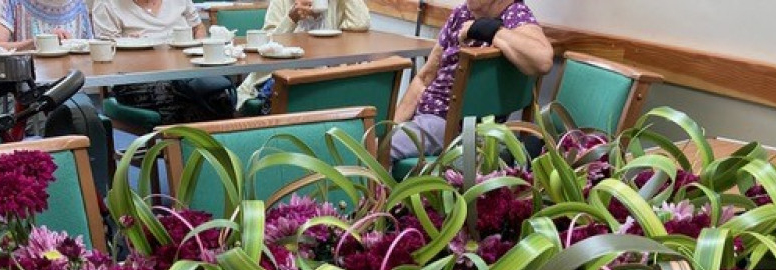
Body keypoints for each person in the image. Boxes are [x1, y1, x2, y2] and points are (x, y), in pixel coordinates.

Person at [390, 0, 553, 161]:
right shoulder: (461, 13)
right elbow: (424, 79)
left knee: (375, 152)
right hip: (427, 119)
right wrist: (392, 128)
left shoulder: (515, 15)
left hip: (450, 124)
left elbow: (543, 60)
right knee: (378, 143)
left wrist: (487, 30)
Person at [92, 0, 236, 125]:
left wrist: (197, 47)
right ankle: (180, 152)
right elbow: (104, 51)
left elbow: (198, 27)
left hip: (186, 73)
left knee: (220, 95)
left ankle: (218, 150)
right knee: (177, 101)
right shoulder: (107, 4)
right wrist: (128, 47)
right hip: (138, 80)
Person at [236, 0, 371, 112]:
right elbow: (267, 45)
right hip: (284, 73)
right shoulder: (281, 2)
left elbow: (360, 23)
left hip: (328, 75)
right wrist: (291, 19)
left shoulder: (337, 3)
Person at [0, 0, 93, 51]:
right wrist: (37, 42)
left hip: (72, 86)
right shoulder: (10, 2)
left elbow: (89, 48)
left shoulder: (79, 4)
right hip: (27, 87)